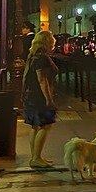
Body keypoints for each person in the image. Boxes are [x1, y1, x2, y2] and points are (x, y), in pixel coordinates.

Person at [21, 30, 59, 168]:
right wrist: (49, 100)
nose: (53, 45)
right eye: (52, 42)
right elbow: (42, 80)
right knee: (45, 125)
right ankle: (36, 158)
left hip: (30, 96)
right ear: (47, 42)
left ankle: (35, 157)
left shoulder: (32, 56)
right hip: (39, 97)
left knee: (35, 127)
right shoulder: (42, 58)